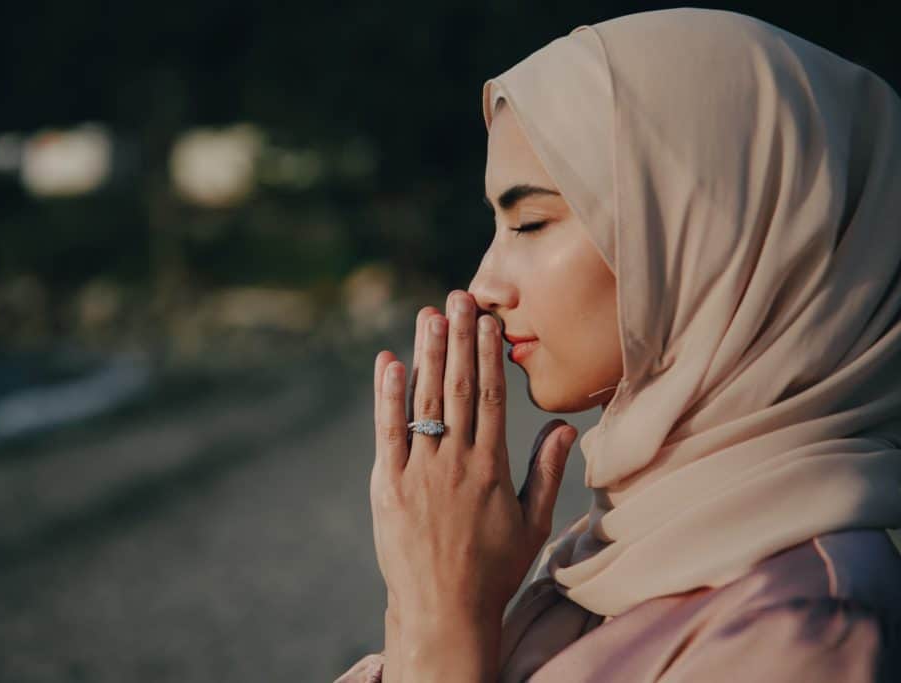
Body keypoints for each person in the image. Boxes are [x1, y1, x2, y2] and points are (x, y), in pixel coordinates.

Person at [335, 7, 901, 682]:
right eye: (498, 223)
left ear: (706, 240)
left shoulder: (806, 632)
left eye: (532, 221)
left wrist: (440, 620)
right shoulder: (615, 551)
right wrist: (432, 593)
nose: (483, 284)